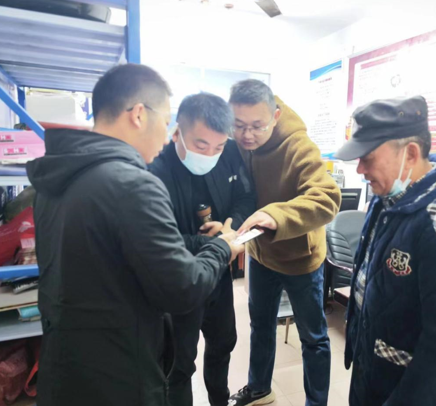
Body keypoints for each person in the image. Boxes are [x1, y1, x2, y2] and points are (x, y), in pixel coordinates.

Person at [26, 64, 244, 406]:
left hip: (68, 365)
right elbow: (183, 288)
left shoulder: (54, 178)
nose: (166, 136)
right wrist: (221, 247)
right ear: (139, 114)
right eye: (166, 121)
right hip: (119, 373)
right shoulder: (133, 183)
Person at [334, 95, 436, 406]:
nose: (360, 169)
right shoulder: (387, 198)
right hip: (373, 373)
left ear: (410, 153)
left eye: (368, 158)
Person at [227, 80, 341, 406]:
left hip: (300, 259)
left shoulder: (298, 146)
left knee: (313, 337)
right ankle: (259, 388)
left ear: (275, 116)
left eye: (257, 126)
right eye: (239, 125)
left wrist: (275, 215)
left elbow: (327, 199)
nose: (247, 135)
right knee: (260, 325)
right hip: (261, 254)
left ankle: (316, 402)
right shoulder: (237, 145)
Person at [150, 92, 255, 406]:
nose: (210, 154)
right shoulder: (155, 167)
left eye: (218, 147)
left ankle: (219, 401)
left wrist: (230, 226)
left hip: (218, 273)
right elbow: (159, 239)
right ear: (177, 133)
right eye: (200, 145)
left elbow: (246, 198)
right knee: (179, 361)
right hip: (178, 279)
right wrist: (215, 242)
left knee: (223, 343)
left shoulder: (230, 152)